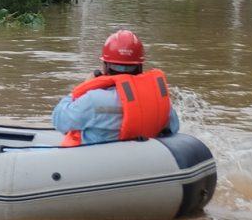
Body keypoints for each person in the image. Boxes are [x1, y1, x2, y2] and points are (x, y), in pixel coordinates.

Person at [51, 29, 180, 146]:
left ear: (105, 67)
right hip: (143, 161)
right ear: (140, 67)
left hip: (95, 163)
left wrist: (84, 87)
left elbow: (59, 121)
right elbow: (174, 127)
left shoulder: (93, 99)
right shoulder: (158, 101)